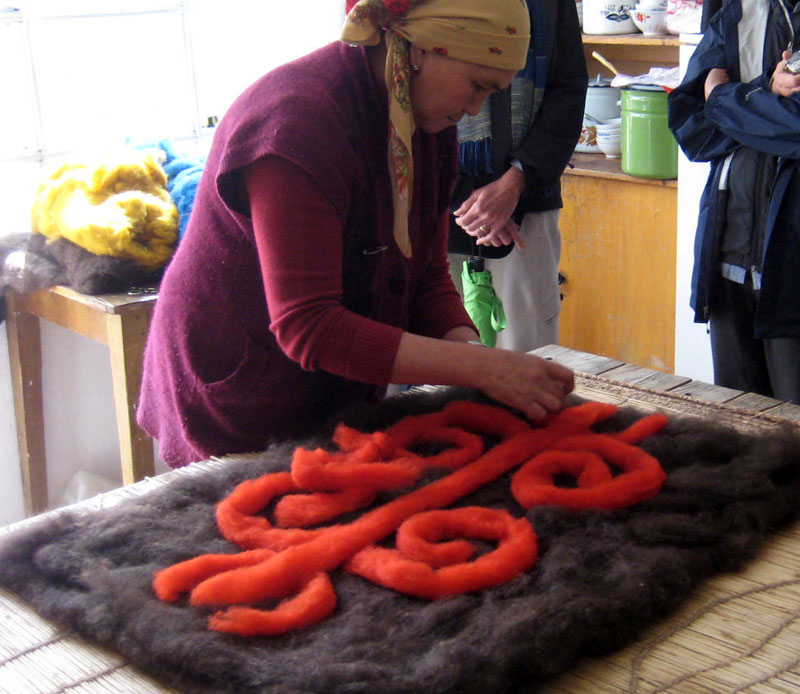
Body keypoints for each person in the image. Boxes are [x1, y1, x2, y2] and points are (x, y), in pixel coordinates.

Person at [138, 0, 575, 468]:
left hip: (326, 395)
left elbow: (425, 275)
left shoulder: (421, 123)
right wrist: (485, 368)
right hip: (240, 392)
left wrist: (473, 358)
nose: (474, 108)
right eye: (477, 86)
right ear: (420, 49)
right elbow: (310, 327)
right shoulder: (297, 123)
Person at [668, 0, 800, 403]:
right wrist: (761, 93)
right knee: (737, 431)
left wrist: (724, 100)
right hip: (730, 257)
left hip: (791, 271)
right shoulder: (735, 11)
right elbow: (691, 126)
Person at [446, 0, 587, 352]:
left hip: (528, 200)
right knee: (434, 357)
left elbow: (568, 85)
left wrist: (516, 181)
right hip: (430, 197)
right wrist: (463, 196)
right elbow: (404, 87)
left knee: (526, 352)